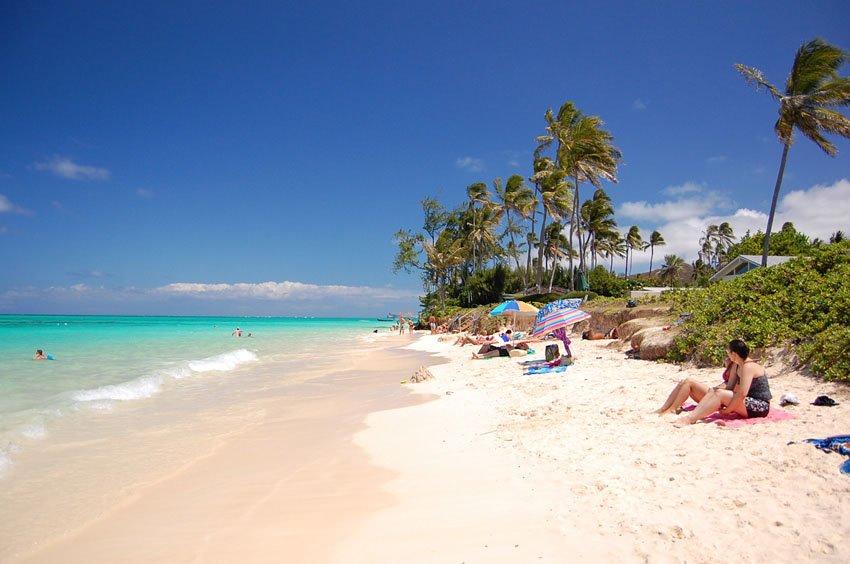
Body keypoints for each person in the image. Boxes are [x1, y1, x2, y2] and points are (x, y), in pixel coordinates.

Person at [657, 339, 772, 426]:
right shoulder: (737, 366)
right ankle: (665, 409)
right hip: (744, 402)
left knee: (719, 393)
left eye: (728, 353)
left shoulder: (749, 367)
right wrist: (714, 394)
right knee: (715, 391)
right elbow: (730, 386)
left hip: (759, 406)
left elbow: (742, 393)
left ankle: (690, 419)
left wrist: (727, 410)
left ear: (734, 354)